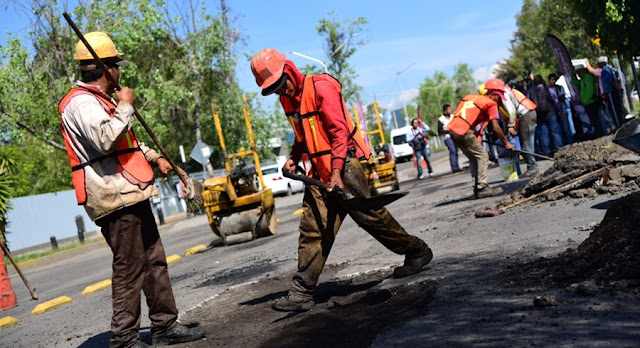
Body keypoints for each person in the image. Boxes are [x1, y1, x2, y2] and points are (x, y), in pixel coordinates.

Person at [250, 48, 433, 312]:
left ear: (289, 71)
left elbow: (339, 133)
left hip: (344, 165)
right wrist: (294, 155)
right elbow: (302, 135)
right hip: (320, 172)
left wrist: (336, 173)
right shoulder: (287, 100)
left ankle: (417, 251)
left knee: (370, 217)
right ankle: (302, 291)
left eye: (281, 84)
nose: (280, 91)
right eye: (273, 89)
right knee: (312, 226)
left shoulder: (322, 87)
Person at [58, 32, 205, 348]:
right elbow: (106, 139)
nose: (120, 73)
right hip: (112, 198)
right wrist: (125, 106)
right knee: (130, 267)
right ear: (105, 67)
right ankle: (124, 338)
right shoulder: (80, 104)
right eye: (116, 66)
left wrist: (156, 158)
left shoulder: (103, 101)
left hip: (130, 192)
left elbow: (128, 143)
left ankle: (165, 326)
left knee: (154, 261)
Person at [447, 93, 514, 198]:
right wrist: (506, 143)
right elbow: (496, 128)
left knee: (474, 157)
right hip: (464, 131)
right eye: (499, 99)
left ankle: (477, 187)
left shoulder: (470, 97)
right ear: (493, 94)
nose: (499, 102)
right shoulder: (491, 104)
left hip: (453, 129)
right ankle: (482, 187)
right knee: (483, 156)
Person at [483, 78, 538, 177]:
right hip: (526, 115)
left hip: (526, 115)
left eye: (490, 94)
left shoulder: (504, 94)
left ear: (495, 92)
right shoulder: (502, 96)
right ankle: (532, 166)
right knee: (524, 141)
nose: (490, 98)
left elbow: (512, 111)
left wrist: (511, 127)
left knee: (526, 142)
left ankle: (533, 167)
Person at [528, 74, 564, 157]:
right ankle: (559, 149)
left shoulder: (531, 92)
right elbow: (556, 101)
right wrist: (561, 111)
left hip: (539, 115)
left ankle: (547, 152)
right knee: (555, 132)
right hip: (551, 113)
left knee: (544, 134)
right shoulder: (548, 89)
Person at [571, 63, 605, 138]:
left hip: (591, 102)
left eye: (579, 72)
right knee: (593, 119)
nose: (578, 74)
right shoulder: (583, 79)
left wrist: (586, 101)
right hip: (588, 102)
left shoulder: (587, 77)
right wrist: (573, 75)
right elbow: (574, 82)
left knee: (595, 119)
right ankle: (598, 133)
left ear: (583, 71)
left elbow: (590, 90)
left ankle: (600, 134)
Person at [548, 73, 575, 145]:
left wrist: (554, 99)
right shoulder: (547, 90)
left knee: (566, 127)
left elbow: (562, 97)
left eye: (554, 79)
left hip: (563, 109)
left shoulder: (560, 88)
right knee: (558, 129)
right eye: (551, 80)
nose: (552, 81)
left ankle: (571, 141)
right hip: (554, 111)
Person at [438, 104, 461, 173]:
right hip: (448, 137)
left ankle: (457, 166)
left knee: (456, 151)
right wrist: (447, 131)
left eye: (450, 109)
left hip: (455, 136)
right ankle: (453, 167)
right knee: (452, 150)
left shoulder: (453, 117)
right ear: (445, 111)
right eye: (449, 109)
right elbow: (440, 130)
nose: (450, 111)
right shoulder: (441, 119)